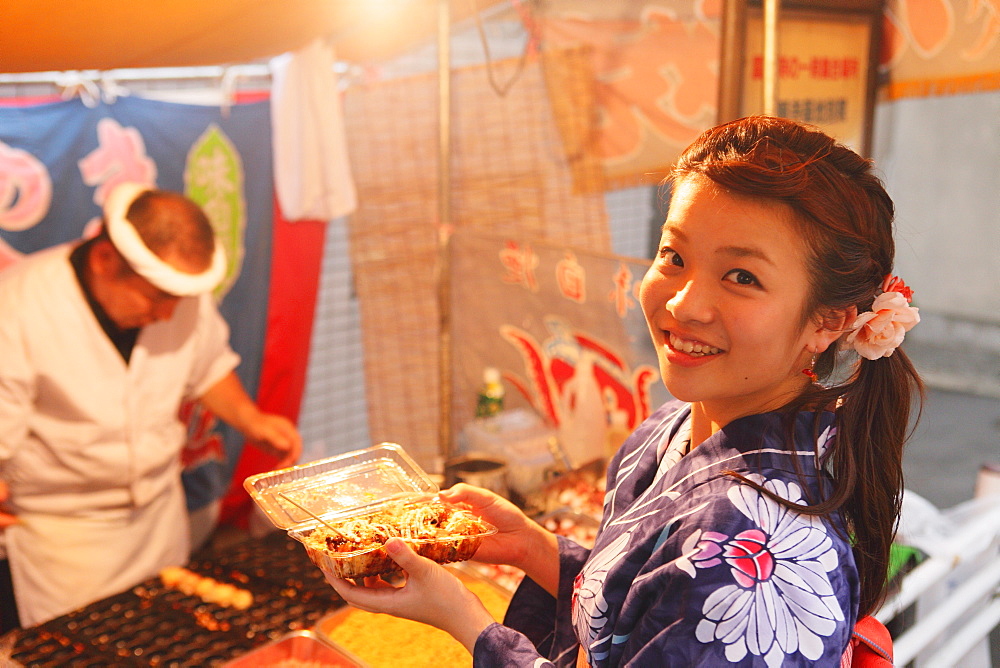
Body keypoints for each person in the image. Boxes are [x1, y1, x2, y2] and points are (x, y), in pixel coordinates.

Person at [325, 116, 924, 667]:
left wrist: (463, 617)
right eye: (674, 255)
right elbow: (645, 614)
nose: (684, 303)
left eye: (742, 276)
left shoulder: (756, 564)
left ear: (828, 320)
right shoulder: (675, 426)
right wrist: (533, 549)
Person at [0, 182, 303, 628]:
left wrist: (251, 419)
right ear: (104, 260)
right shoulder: (19, 305)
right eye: (156, 298)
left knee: (171, 632)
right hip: (64, 538)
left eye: (176, 301)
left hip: (159, 520)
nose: (167, 315)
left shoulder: (177, 299)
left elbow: (206, 365)